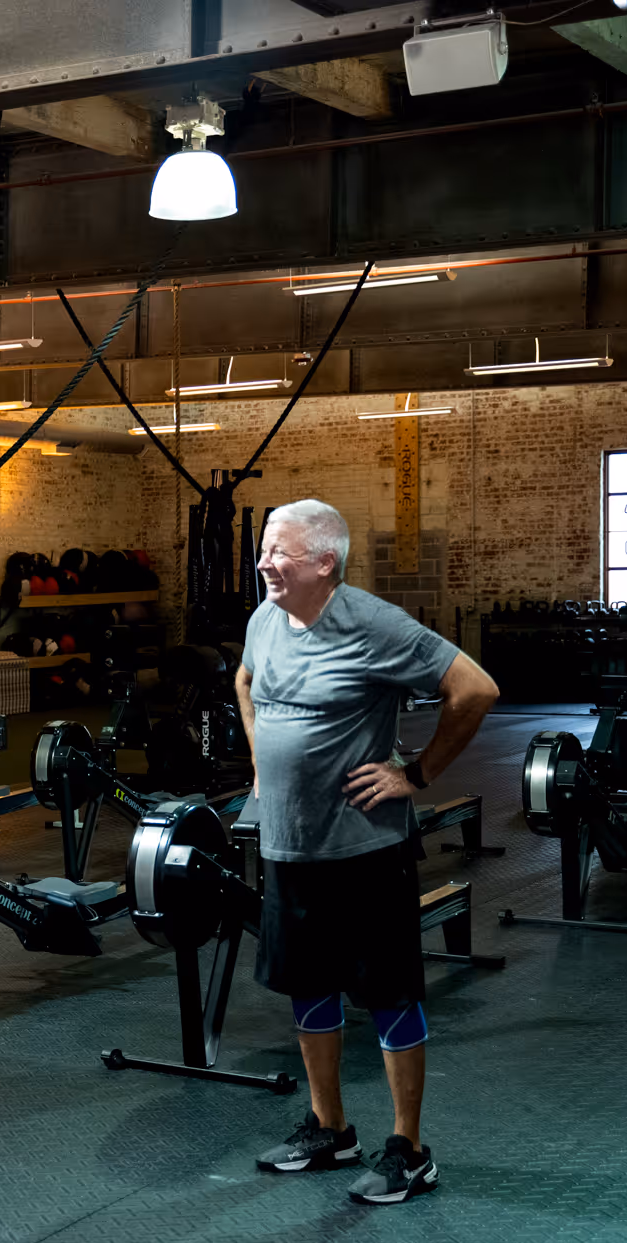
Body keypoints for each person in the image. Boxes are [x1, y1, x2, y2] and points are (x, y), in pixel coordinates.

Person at [237, 499, 498, 1206]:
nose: (265, 563)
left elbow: (474, 688)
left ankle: (409, 1148)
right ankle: (331, 1128)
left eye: (279, 552)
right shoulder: (266, 619)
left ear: (325, 562)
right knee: (309, 986)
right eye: (264, 550)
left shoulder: (373, 623)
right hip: (289, 847)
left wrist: (415, 775)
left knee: (387, 994)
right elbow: (246, 683)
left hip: (363, 848)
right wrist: (263, 760)